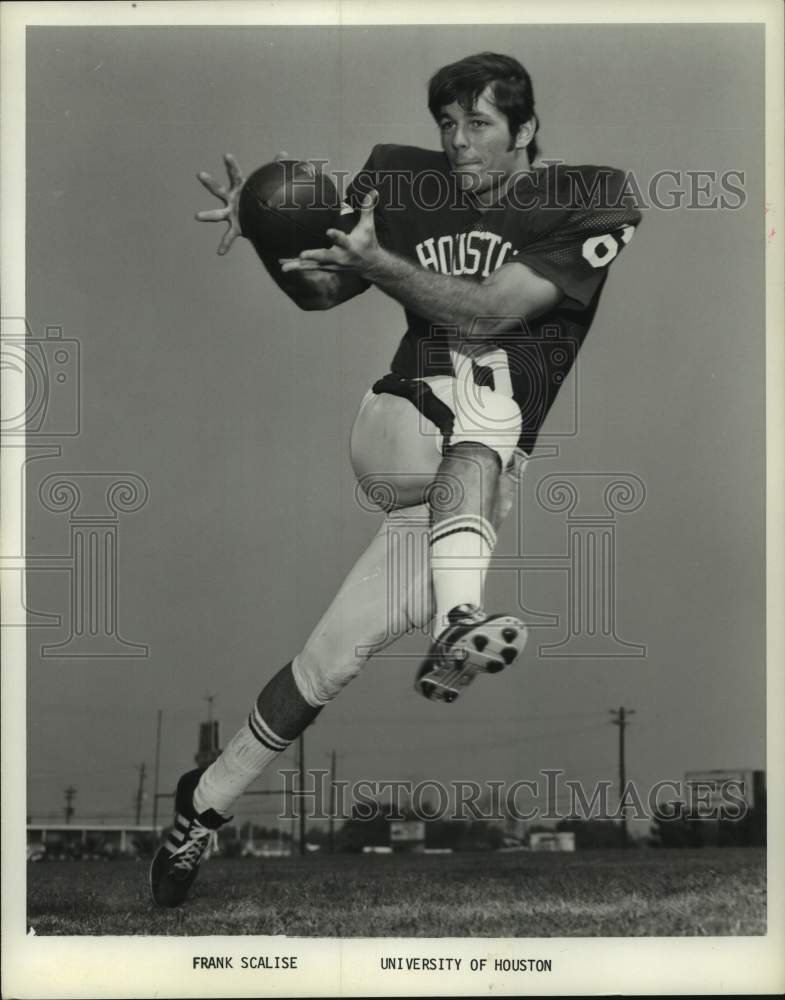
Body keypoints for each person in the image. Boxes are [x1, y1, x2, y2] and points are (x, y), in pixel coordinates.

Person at [150, 51, 640, 907]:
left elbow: (492, 307)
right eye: (445, 125)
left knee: (324, 668)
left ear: (525, 130)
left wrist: (378, 266)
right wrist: (275, 234)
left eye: (478, 124)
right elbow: (320, 292)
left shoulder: (587, 197)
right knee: (489, 391)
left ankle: (200, 805)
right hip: (400, 425)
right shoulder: (402, 183)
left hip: (469, 483)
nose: (456, 143)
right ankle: (459, 619)